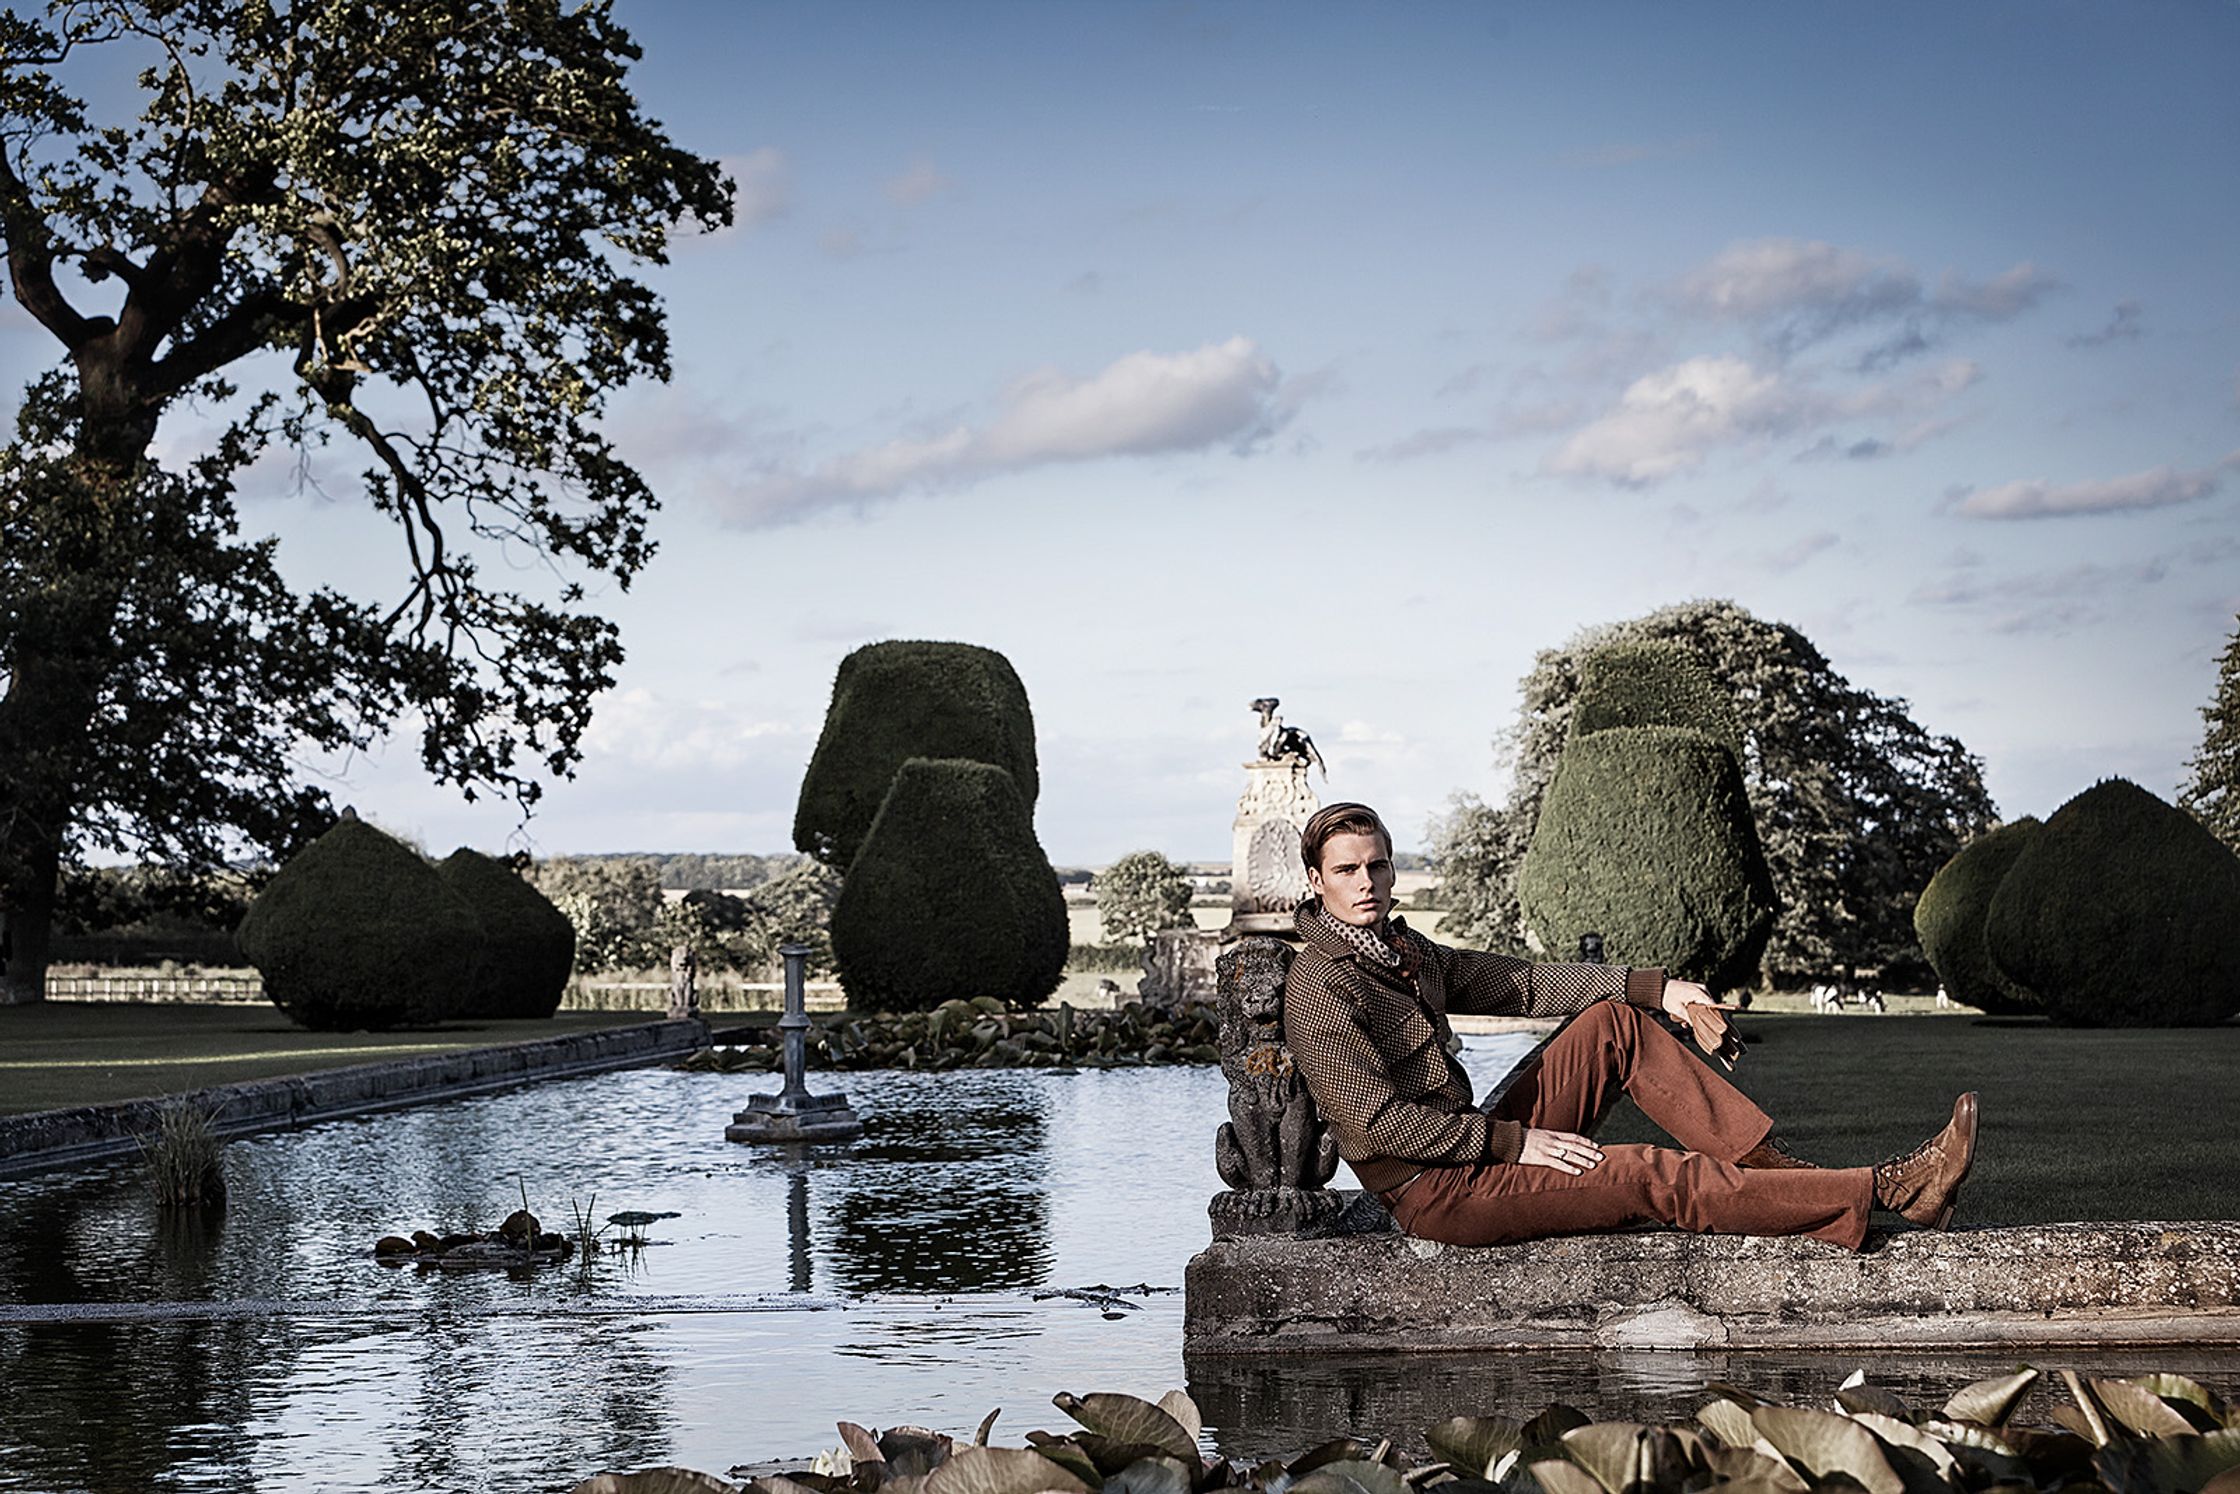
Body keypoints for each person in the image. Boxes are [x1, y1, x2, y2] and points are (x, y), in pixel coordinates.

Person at [1281, 802, 1977, 1251]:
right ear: (1318, 881)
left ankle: (1786, 1179)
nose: (1366, 880)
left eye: (1377, 864)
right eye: (1347, 869)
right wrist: (1513, 1141)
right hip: (1435, 1191)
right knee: (1650, 1174)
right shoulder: (1320, 984)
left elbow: (1525, 985)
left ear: (1393, 868)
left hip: (1471, 1151)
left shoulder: (1408, 953)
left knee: (1615, 1024)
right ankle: (1888, 1189)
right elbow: (1375, 1126)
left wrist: (1661, 991)